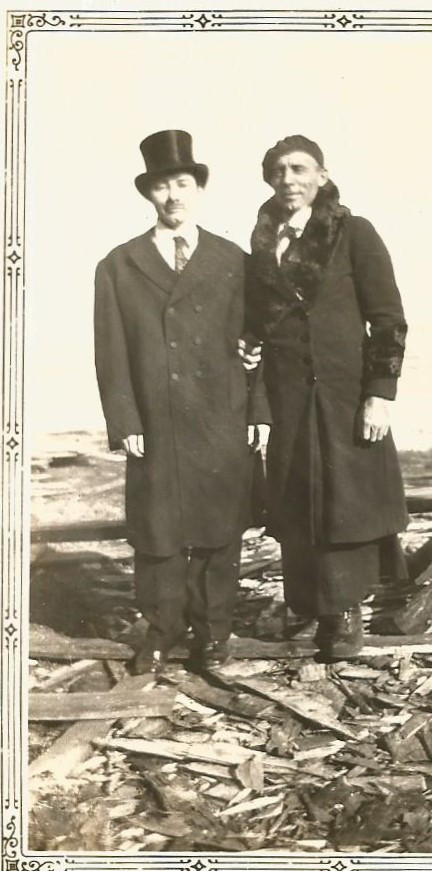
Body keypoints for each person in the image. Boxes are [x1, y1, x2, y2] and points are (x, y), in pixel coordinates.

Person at [94, 130, 268, 674]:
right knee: (158, 529)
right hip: (156, 418)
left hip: (221, 412)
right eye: (163, 186)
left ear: (198, 189)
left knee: (220, 527)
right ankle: (162, 629)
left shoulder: (233, 260)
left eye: (183, 184)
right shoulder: (118, 265)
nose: (173, 196)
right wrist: (124, 419)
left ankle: (215, 631)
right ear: (149, 193)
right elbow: (110, 352)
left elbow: (259, 344)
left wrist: (259, 410)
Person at [245, 134, 409, 661]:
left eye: (299, 169)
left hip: (344, 397)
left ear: (321, 174)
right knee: (298, 506)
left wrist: (379, 395)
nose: (288, 179)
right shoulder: (263, 242)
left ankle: (346, 615)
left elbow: (387, 319)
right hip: (289, 398)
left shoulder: (352, 231)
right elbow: (259, 323)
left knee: (345, 506)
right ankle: (315, 608)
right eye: (278, 171)